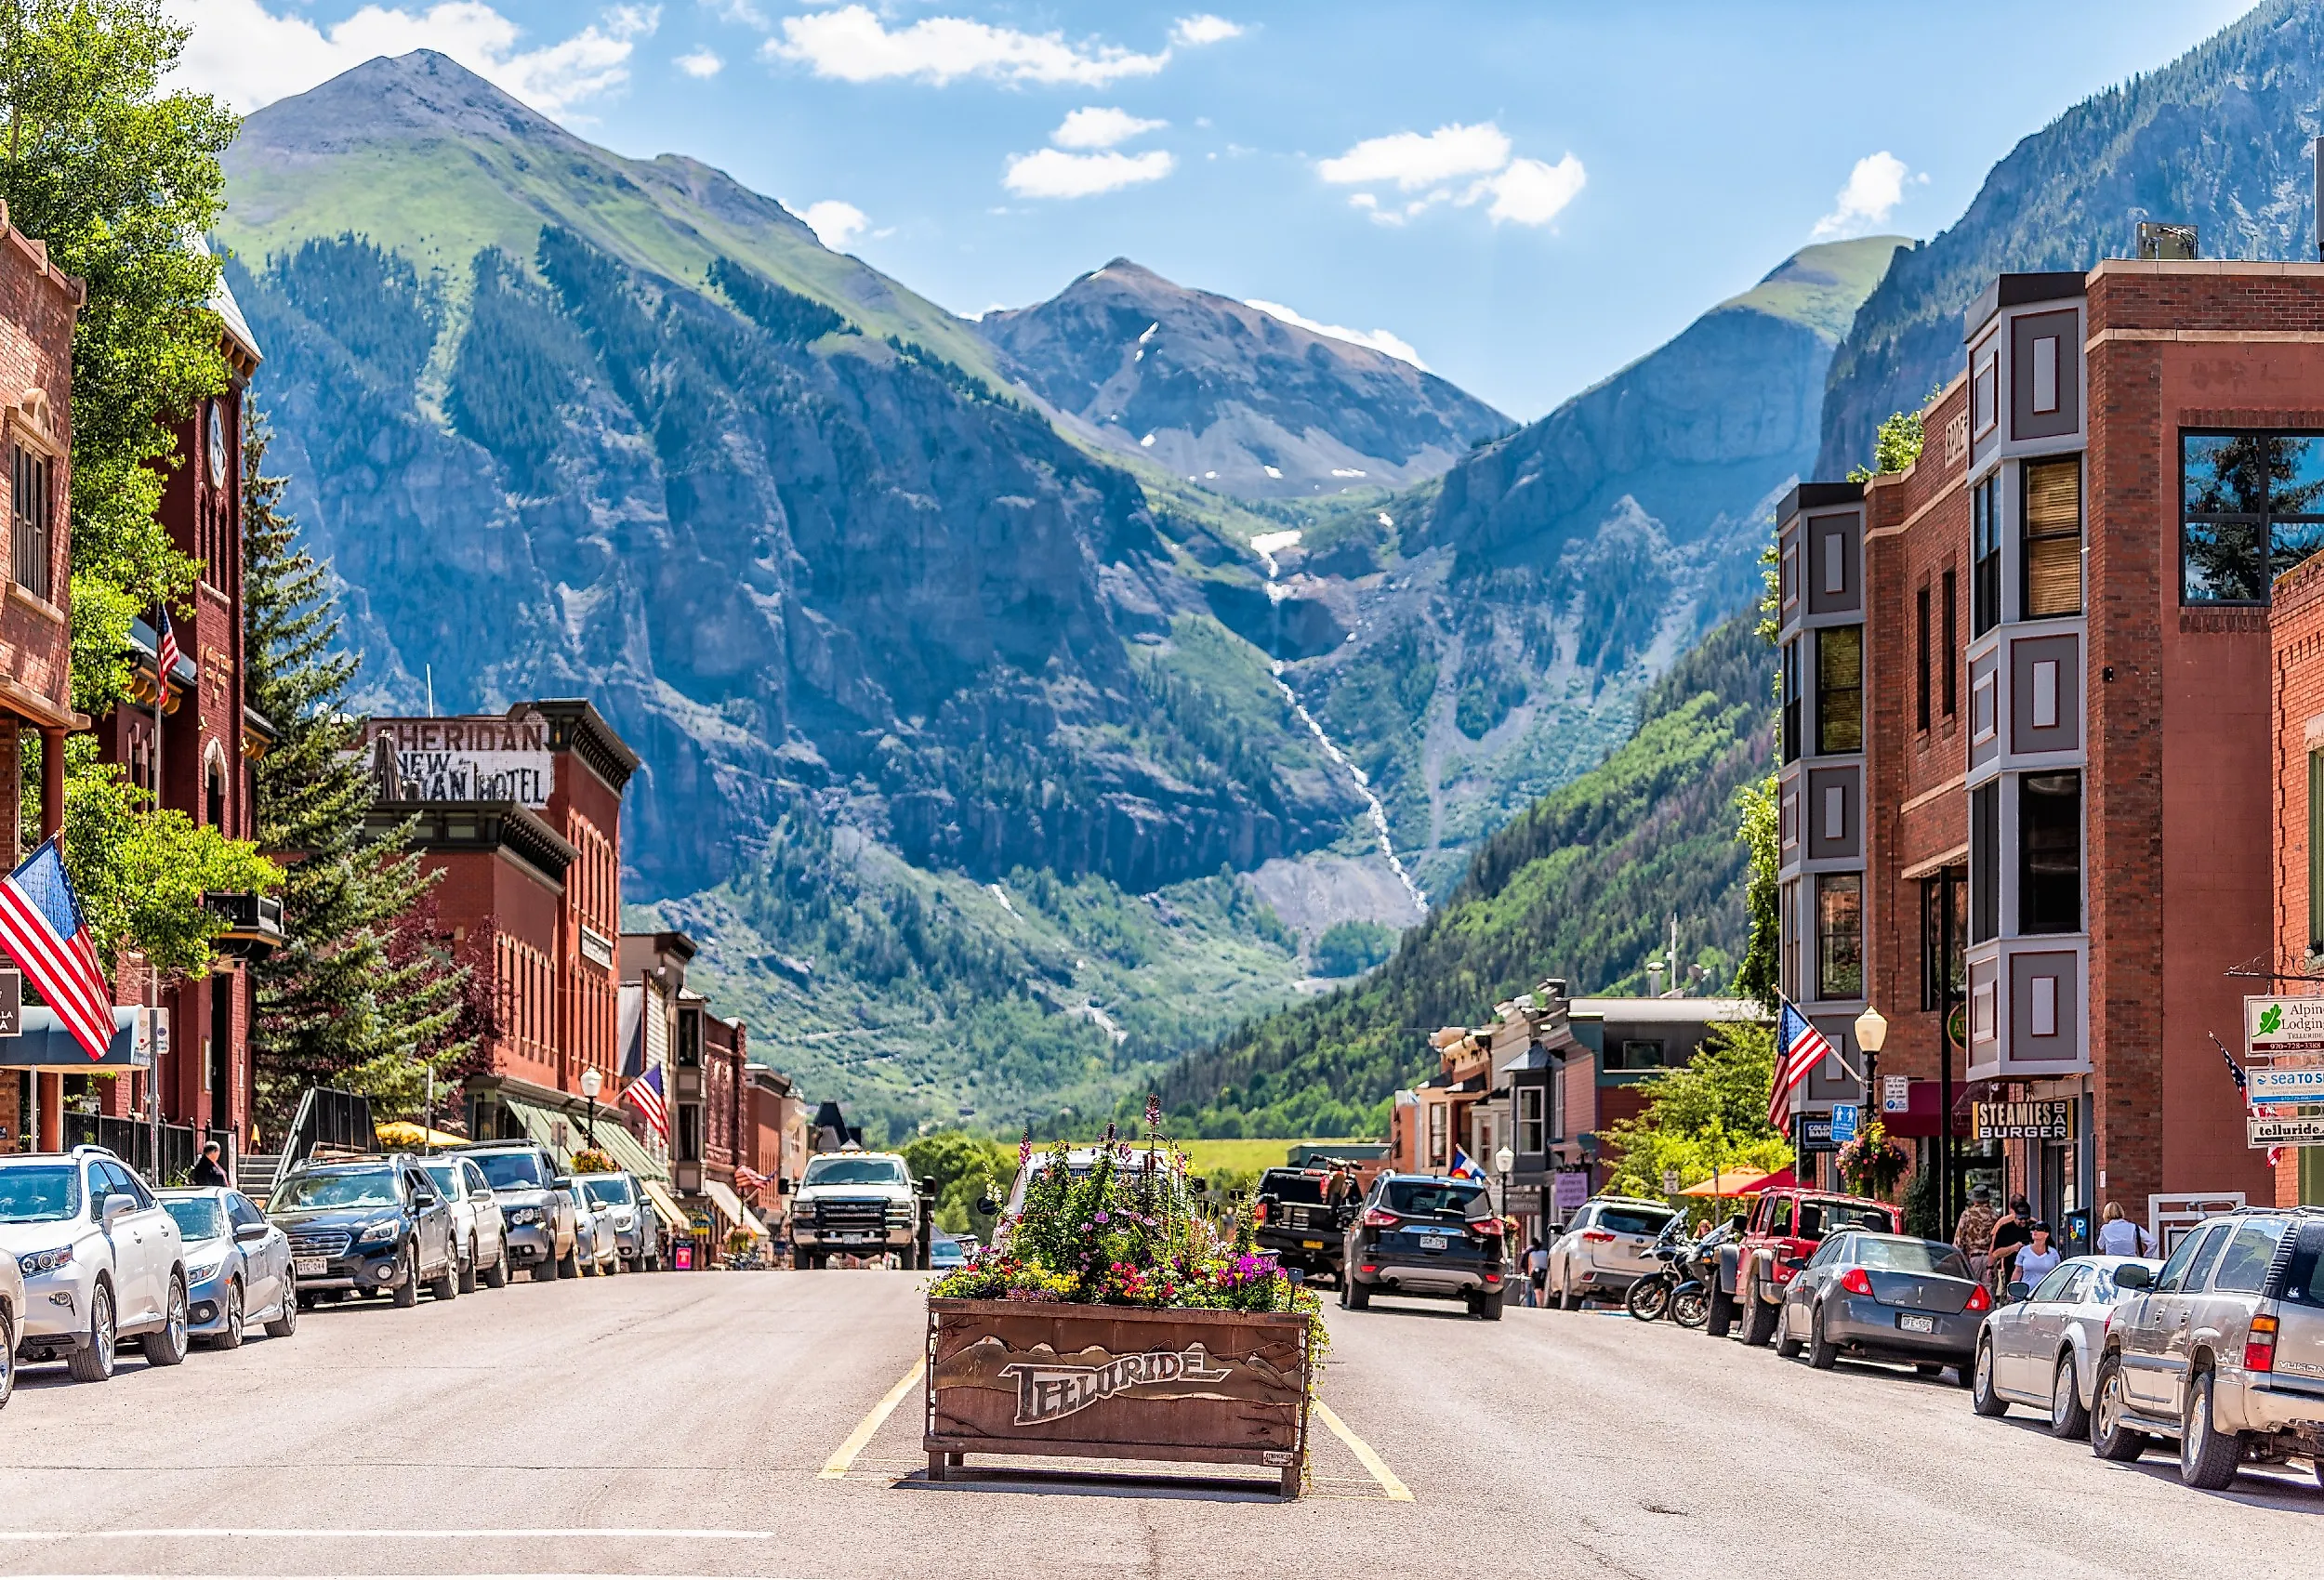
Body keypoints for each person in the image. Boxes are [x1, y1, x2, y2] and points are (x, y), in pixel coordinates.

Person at [1952, 1184, 1998, 1284]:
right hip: (1990, 1259)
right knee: (1989, 1294)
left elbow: (1958, 1241)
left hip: (1972, 1259)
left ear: (1974, 1200)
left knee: (1972, 1291)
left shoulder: (1967, 1215)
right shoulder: (1995, 1215)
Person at [1987, 1195, 2034, 1291]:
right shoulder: (2004, 1226)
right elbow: (1995, 1252)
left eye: (2026, 1219)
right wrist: (2013, 1248)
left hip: (2032, 1274)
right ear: (2015, 1215)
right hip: (2011, 1271)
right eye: (2020, 1219)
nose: (2023, 1222)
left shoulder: (2035, 1226)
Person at [2014, 1220, 2063, 1286]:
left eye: (2039, 1229)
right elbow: (2018, 1271)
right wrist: (2012, 1290)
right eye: (2034, 1229)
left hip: (2046, 1293)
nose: (2035, 1231)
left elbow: (2058, 1274)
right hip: (2026, 1292)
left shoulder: (2053, 1253)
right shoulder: (2024, 1251)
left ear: (2046, 1234)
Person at [1525, 1238, 1548, 1307]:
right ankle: (1543, 1303)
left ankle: (1539, 1304)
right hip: (1544, 1272)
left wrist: (1530, 1275)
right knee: (1543, 1289)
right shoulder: (1545, 1253)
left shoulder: (1531, 1254)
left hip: (1535, 1273)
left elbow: (1530, 1265)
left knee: (1537, 1291)